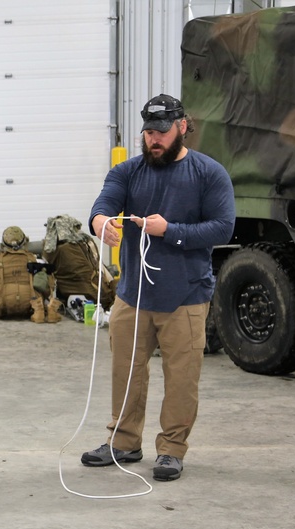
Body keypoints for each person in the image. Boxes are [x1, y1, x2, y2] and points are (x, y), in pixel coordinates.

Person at [81, 93, 235, 481]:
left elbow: (223, 228)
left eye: (162, 131)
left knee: (182, 377)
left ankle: (171, 449)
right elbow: (102, 205)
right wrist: (100, 223)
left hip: (185, 297)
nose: (154, 139)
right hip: (133, 295)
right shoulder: (128, 172)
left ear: (182, 128)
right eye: (148, 132)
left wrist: (171, 231)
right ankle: (124, 442)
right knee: (126, 372)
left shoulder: (209, 173)